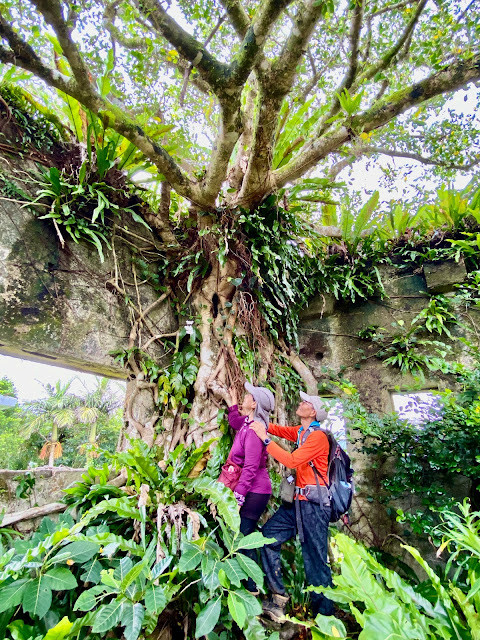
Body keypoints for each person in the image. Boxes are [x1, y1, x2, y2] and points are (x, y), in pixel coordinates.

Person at [249, 391, 334, 622]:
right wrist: (258, 416)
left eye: (305, 402)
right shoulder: (301, 432)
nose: (300, 403)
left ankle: (325, 620)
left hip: (315, 506)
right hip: (296, 503)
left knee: (315, 560)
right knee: (268, 536)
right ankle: (279, 597)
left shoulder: (318, 437)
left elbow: (292, 460)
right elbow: (276, 429)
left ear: (313, 411)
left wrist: (265, 440)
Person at [210, 380, 274, 593]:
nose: (245, 397)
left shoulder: (256, 431)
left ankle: (252, 587)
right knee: (240, 536)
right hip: (249, 489)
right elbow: (236, 422)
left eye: (248, 396)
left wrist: (238, 499)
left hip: (254, 491)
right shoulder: (248, 423)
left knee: (243, 538)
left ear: (254, 404)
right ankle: (249, 585)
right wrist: (231, 402)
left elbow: (250, 468)